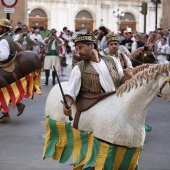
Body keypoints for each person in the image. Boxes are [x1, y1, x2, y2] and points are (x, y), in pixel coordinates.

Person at [62, 34, 131, 125]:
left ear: (91, 46)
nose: (79, 52)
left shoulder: (112, 60)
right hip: (95, 108)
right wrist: (67, 105)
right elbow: (70, 92)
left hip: (117, 104)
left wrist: (129, 77)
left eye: (81, 47)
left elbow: (122, 79)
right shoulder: (79, 68)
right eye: (77, 49)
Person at [0, 19, 25, 122]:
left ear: (4, 28)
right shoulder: (6, 37)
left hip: (4, 66)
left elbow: (4, 56)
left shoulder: (3, 40)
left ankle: (6, 113)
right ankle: (17, 105)